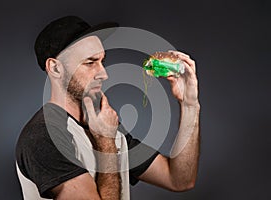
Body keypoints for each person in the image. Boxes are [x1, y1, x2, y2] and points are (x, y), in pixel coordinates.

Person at [15, 16, 201, 200]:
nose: (103, 74)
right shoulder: (44, 137)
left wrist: (189, 104)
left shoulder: (104, 124)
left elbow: (179, 179)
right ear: (55, 68)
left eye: (102, 61)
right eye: (90, 63)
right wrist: (106, 142)